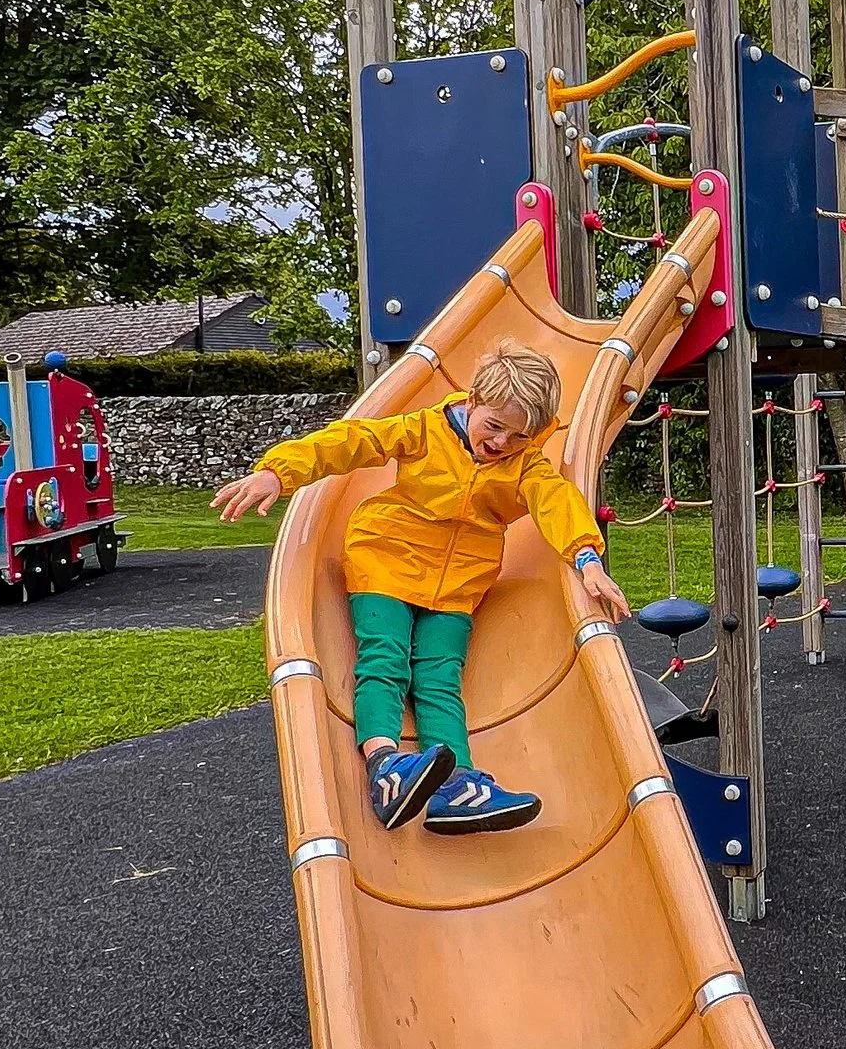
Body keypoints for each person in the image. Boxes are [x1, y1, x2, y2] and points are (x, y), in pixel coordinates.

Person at [211, 343, 630, 835]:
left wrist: (586, 559)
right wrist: (276, 472)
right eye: (493, 426)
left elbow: (557, 502)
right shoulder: (425, 430)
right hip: (386, 559)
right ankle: (385, 766)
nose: (501, 443)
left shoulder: (526, 465)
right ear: (472, 401)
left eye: (518, 437)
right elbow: (350, 442)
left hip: (457, 585)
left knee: (439, 680)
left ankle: (457, 787)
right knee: (385, 660)